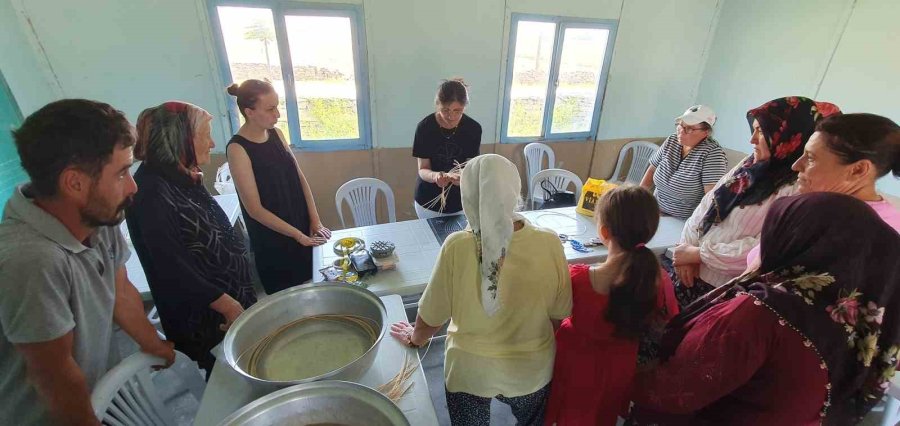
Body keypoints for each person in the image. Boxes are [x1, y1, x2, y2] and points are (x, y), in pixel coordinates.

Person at [631, 192, 900, 425]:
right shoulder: (864, 320)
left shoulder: (760, 315)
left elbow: (675, 391)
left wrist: (608, 375)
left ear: (801, 242)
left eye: (779, 230)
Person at [0, 99, 175, 425]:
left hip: (96, 398)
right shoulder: (31, 260)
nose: (133, 186)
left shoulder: (97, 218)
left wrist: (156, 344)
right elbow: (54, 378)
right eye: (122, 172)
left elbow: (120, 291)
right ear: (75, 183)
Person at [390, 154, 572, 425]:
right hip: (531, 371)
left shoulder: (457, 246)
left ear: (469, 195)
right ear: (514, 189)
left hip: (470, 371)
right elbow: (560, 315)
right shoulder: (549, 242)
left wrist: (416, 338)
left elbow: (431, 316)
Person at [667, 96, 841, 306]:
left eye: (762, 132)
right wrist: (685, 248)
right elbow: (708, 203)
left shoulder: (798, 187)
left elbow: (762, 248)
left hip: (722, 287)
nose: (752, 139)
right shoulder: (750, 164)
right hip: (689, 267)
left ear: (788, 137)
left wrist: (698, 255)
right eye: (755, 129)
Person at [126, 101, 258, 375]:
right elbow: (172, 267)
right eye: (204, 135)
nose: (211, 143)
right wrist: (228, 304)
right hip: (208, 319)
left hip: (231, 306)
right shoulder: (152, 191)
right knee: (227, 380)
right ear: (180, 139)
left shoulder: (182, 175)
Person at [544, 185, 679, 426]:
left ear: (604, 232)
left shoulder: (577, 277)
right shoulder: (659, 279)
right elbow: (665, 322)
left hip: (575, 366)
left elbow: (553, 320)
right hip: (620, 366)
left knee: (569, 416)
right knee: (603, 416)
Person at [744, 113, 900, 268]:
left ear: (858, 170)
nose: (796, 165)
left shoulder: (845, 226)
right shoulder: (819, 208)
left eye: (811, 158)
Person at [225, 79, 331, 294]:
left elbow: (299, 178)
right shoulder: (237, 148)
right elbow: (254, 210)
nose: (278, 114)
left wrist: (315, 220)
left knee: (314, 288)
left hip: (301, 226)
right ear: (249, 112)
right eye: (270, 109)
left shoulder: (277, 134)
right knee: (289, 300)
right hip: (274, 239)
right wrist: (296, 235)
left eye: (277, 107)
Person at [640, 105, 728, 219]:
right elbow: (652, 169)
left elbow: (710, 199)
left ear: (706, 132)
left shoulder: (713, 155)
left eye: (689, 128)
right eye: (681, 125)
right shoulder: (672, 140)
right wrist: (639, 198)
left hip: (682, 221)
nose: (681, 131)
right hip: (654, 211)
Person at [413, 78, 482, 219]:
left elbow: (471, 167)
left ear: (465, 107)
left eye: (458, 111)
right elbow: (423, 169)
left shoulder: (473, 129)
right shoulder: (425, 127)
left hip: (462, 203)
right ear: (438, 105)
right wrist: (436, 176)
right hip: (428, 203)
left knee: (459, 240)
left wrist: (463, 176)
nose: (451, 116)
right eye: (445, 110)